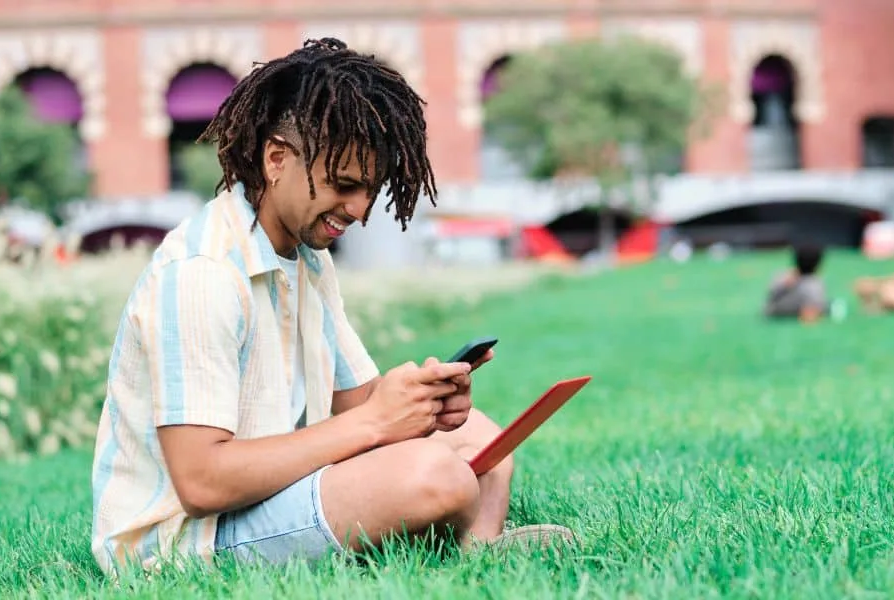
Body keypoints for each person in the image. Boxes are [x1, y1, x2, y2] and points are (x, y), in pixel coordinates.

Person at [90, 38, 574, 577]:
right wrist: (375, 423)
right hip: (185, 540)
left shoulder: (306, 258)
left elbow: (359, 400)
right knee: (435, 475)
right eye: (344, 185)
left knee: (480, 437)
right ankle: (456, 543)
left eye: (369, 190)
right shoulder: (202, 275)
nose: (359, 210)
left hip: (270, 493)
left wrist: (423, 401)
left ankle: (474, 554)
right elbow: (203, 483)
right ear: (277, 159)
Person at [764, 243, 829, 322]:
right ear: (818, 264)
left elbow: (769, 300)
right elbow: (811, 314)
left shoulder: (782, 277)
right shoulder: (814, 286)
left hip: (774, 313)